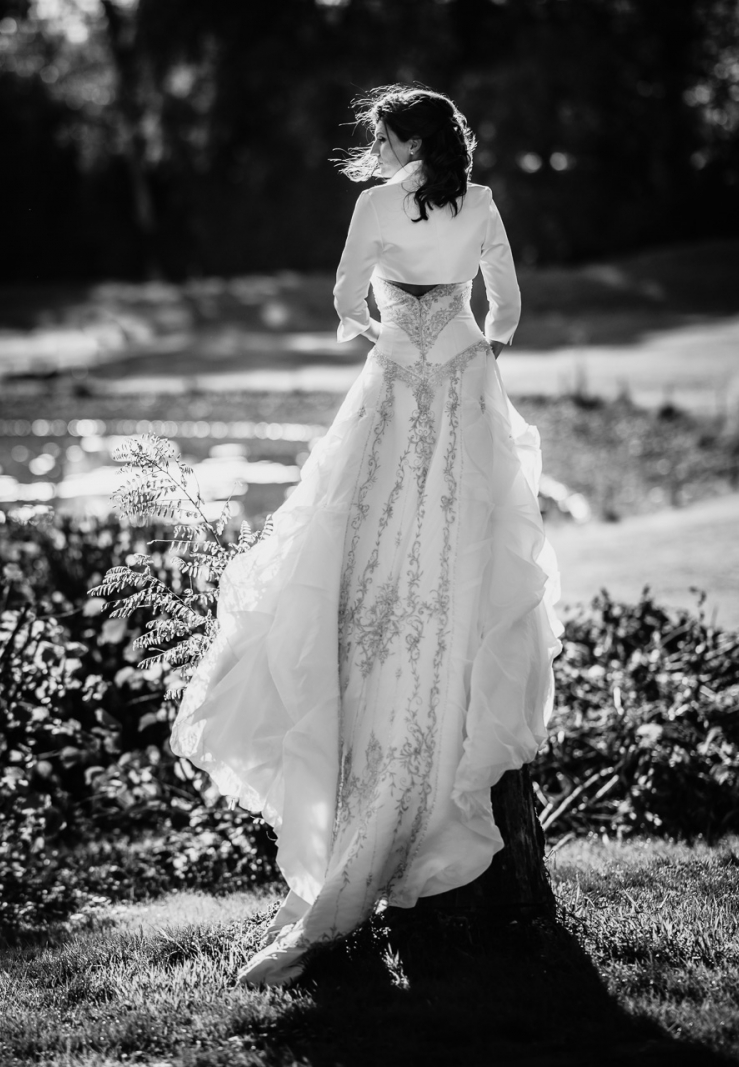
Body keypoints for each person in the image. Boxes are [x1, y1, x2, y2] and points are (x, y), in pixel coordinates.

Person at [170, 85, 563, 987]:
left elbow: (346, 297)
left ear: (410, 140)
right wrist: (473, 344)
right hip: (464, 391)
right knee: (460, 561)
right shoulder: (485, 204)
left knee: (363, 555)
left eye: (382, 136)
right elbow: (504, 309)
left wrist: (388, 332)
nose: (373, 149)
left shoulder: (373, 209)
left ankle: (362, 809)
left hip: (392, 392)